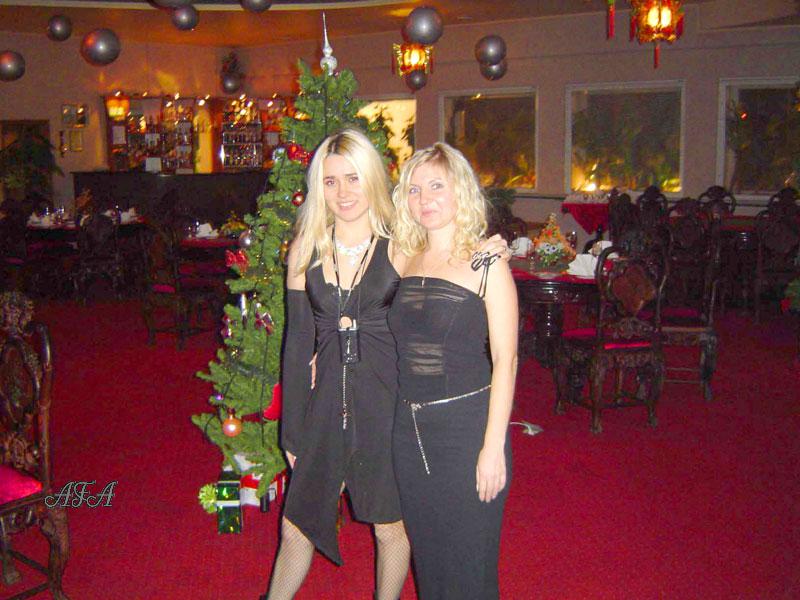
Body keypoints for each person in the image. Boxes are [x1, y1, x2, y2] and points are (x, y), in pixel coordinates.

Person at [267, 129, 510, 600]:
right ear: (319, 187)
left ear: (373, 179)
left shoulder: (399, 244)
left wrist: (493, 249)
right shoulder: (305, 250)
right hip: (323, 410)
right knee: (296, 525)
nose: (343, 192)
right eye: (331, 181)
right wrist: (291, 431)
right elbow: (296, 346)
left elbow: (449, 257)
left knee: (391, 528)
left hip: (387, 407)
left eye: (354, 178)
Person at [389, 142, 518, 599]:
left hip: (466, 431)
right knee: (429, 560)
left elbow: (506, 359)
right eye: (414, 189)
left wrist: (492, 448)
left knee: (468, 564)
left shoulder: (487, 262)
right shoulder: (400, 256)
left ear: (460, 190)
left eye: (436, 186)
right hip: (408, 432)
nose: (424, 198)